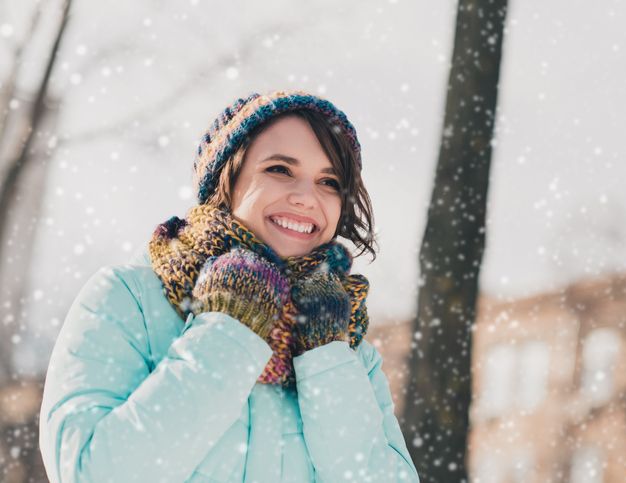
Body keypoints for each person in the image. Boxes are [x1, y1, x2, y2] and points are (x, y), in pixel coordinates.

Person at [38, 89, 420, 482]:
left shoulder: (350, 351)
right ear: (227, 179)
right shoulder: (128, 299)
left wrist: (325, 357)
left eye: (329, 181)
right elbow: (89, 473)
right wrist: (231, 327)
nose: (306, 197)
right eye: (280, 170)